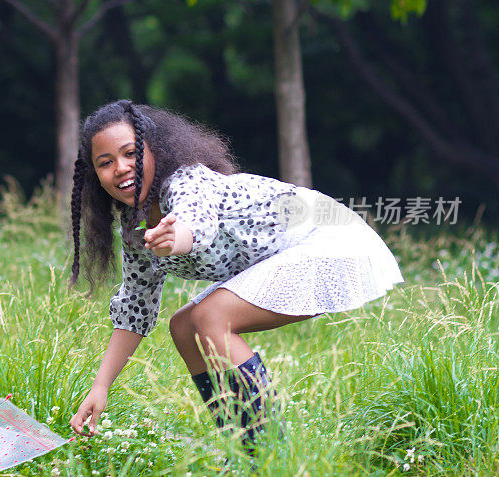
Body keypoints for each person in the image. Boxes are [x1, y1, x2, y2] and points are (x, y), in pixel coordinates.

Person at [67, 100, 403, 446]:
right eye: (105, 163)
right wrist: (100, 387)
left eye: (130, 154)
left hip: (327, 237)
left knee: (212, 316)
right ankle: (241, 447)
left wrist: (176, 238)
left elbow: (194, 221)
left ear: (154, 151)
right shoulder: (134, 226)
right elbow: (136, 309)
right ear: (95, 176)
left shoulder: (186, 181)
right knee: (183, 327)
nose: (120, 168)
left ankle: (270, 453)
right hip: (291, 250)